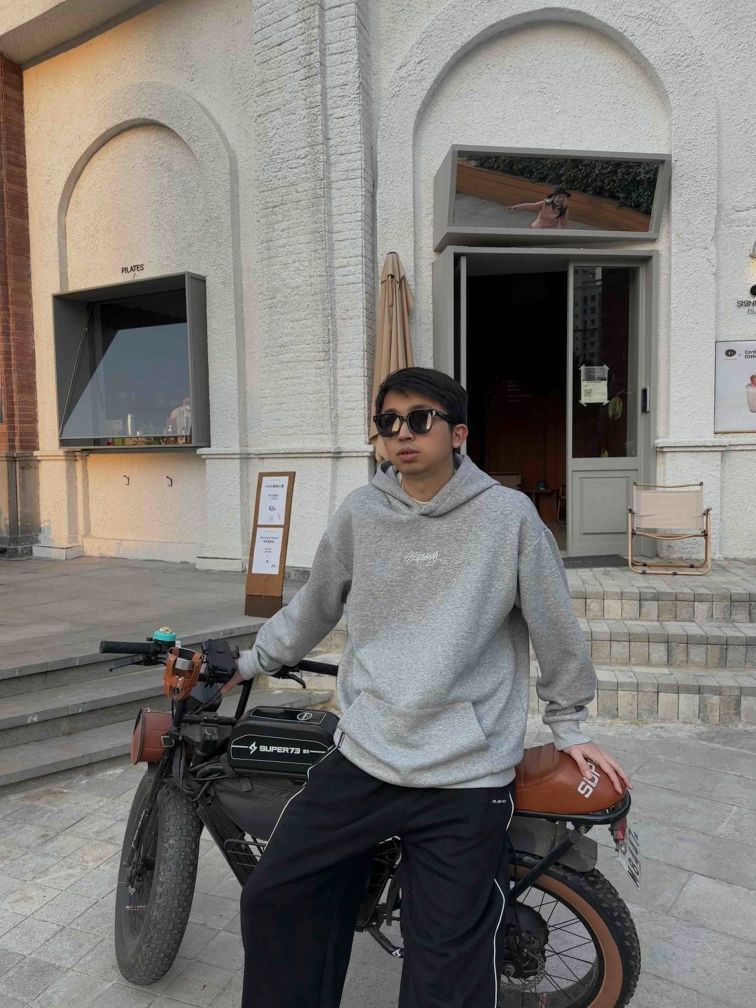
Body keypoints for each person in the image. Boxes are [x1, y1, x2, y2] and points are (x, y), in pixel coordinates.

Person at [222, 366, 631, 1008]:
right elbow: (315, 606)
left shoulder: (508, 517)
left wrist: (569, 725)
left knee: (445, 962)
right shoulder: (360, 513)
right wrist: (251, 662)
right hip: (366, 755)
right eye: (388, 422)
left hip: (464, 774)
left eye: (419, 419)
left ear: (458, 433)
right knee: (277, 895)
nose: (402, 433)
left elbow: (556, 628)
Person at [507, 184, 571, 228]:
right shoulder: (546, 203)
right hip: (536, 228)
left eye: (563, 197)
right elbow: (530, 205)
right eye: (559, 197)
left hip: (548, 233)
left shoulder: (564, 209)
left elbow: (564, 224)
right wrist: (516, 207)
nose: (561, 199)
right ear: (554, 197)